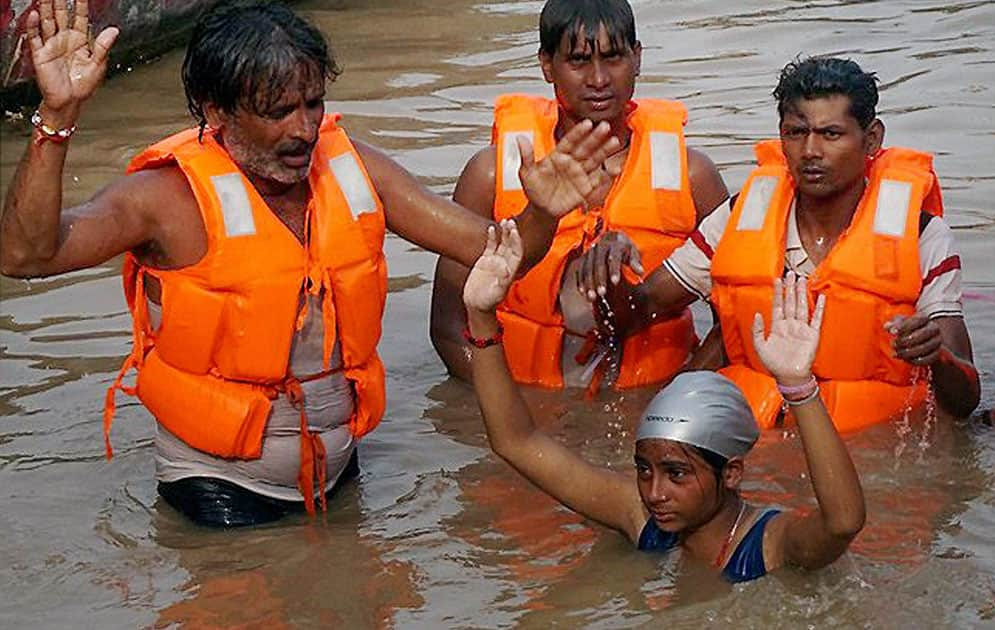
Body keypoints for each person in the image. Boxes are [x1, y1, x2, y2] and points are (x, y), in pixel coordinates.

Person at [0, 0, 623, 527]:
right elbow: (25, 255)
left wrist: (541, 214)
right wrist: (57, 119)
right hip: (216, 490)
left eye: (312, 104)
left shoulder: (355, 169)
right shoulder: (164, 200)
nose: (303, 130)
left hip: (342, 471)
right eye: (277, 111)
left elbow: (498, 257)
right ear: (216, 113)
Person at [576, 56, 981, 430]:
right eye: (796, 133)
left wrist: (937, 356)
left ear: (871, 139)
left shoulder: (922, 235)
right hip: (758, 446)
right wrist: (611, 271)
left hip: (872, 450)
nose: (810, 151)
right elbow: (636, 314)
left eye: (831, 134)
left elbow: (965, 400)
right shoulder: (739, 217)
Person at [461, 220, 865, 583]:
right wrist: (481, 315)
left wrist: (798, 387)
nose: (654, 492)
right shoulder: (640, 516)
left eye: (676, 474)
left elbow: (843, 524)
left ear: (732, 474)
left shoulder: (770, 545)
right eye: (643, 469)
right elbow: (516, 441)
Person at [430, 0, 728, 393]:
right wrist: (517, 412)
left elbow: (737, 318)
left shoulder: (693, 177)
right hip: (524, 398)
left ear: (637, 59)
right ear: (546, 65)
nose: (599, 78)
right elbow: (448, 328)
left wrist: (677, 403)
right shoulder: (490, 175)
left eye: (614, 57)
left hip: (651, 397)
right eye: (578, 60)